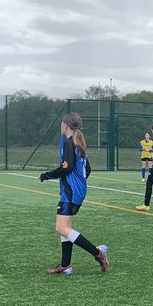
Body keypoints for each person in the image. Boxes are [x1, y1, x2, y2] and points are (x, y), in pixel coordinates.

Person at [38, 112, 109, 275]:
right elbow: (87, 169)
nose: (61, 125)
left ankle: (98, 253)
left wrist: (46, 176)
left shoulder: (70, 143)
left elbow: (67, 168)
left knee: (61, 227)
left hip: (71, 192)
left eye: (62, 123)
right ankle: (65, 265)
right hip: (77, 190)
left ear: (66, 125)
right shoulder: (79, 143)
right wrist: (78, 184)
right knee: (66, 227)